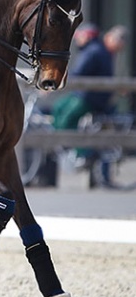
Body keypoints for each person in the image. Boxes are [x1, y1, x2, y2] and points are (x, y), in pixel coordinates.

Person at [51, 23, 129, 185]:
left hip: (89, 98)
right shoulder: (100, 51)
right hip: (90, 96)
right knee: (60, 109)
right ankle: (71, 148)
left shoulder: (96, 51)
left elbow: (78, 73)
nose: (78, 39)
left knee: (67, 116)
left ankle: (80, 150)